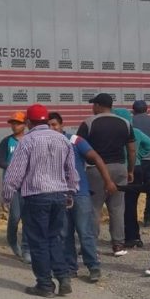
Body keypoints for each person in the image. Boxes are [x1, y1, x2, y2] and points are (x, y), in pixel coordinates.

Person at [3, 103, 79, 298]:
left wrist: (7, 196)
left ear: (29, 122)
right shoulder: (63, 140)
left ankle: (44, 284)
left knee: (38, 241)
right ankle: (63, 279)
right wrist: (70, 193)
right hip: (59, 195)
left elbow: (15, 172)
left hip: (36, 196)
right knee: (54, 238)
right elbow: (71, 170)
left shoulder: (27, 141)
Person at [48, 112, 117, 283]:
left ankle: (93, 267)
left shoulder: (75, 141)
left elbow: (96, 158)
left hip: (80, 194)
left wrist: (108, 181)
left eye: (54, 125)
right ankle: (71, 268)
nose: (52, 128)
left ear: (62, 125)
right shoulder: (46, 143)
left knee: (85, 232)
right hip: (59, 196)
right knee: (64, 234)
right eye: (48, 125)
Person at [76, 93, 136, 256]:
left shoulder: (88, 123)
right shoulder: (125, 123)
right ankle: (118, 245)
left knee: (94, 208)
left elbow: (78, 147)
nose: (92, 107)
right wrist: (130, 170)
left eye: (93, 104)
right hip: (119, 168)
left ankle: (91, 245)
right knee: (117, 207)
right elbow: (131, 149)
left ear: (99, 105)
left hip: (96, 170)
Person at [114, 106, 150, 249]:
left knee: (120, 205)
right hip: (137, 169)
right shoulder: (136, 132)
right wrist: (140, 155)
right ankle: (135, 236)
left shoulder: (116, 133)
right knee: (132, 205)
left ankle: (124, 236)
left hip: (122, 169)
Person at [0, 111, 29, 262]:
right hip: (13, 185)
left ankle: (27, 248)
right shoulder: (7, 142)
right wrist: (14, 167)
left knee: (28, 218)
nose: (14, 126)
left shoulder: (30, 140)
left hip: (28, 185)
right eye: (12, 123)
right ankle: (12, 240)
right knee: (15, 216)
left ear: (25, 124)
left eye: (18, 123)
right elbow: (0, 161)